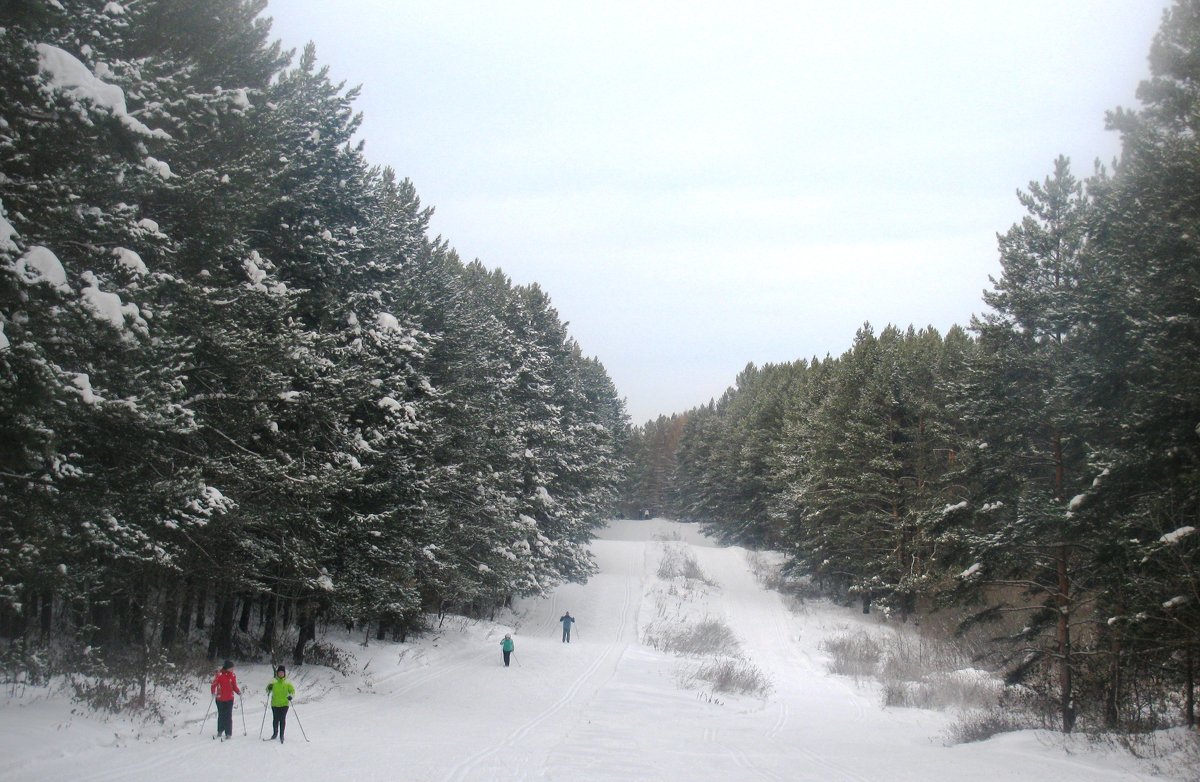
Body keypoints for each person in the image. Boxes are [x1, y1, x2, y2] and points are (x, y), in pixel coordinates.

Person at [210, 659, 240, 740]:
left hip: (229, 698)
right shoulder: (219, 675)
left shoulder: (233, 675)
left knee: (228, 716)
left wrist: (238, 691)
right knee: (221, 715)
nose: (233, 669)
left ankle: (228, 733)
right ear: (227, 668)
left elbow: (234, 686)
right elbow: (214, 685)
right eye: (231, 668)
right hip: (220, 699)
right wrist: (213, 692)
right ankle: (220, 730)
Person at [265, 665, 296, 743]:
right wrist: (269, 688)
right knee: (275, 719)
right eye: (279, 672)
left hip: (284, 704)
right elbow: (267, 691)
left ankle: (281, 735)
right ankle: (275, 733)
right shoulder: (273, 681)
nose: (281, 674)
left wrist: (291, 696)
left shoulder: (287, 682)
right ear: (277, 673)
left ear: (284, 673)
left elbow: (292, 691)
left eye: (282, 672)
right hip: (275, 704)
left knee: (282, 719)